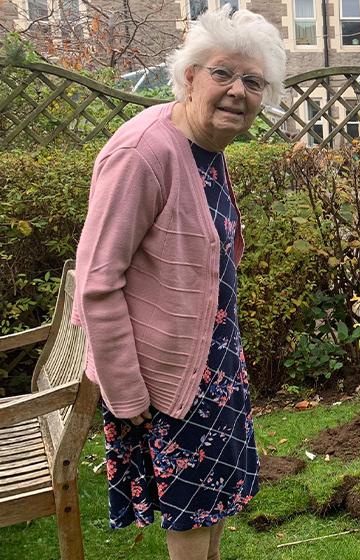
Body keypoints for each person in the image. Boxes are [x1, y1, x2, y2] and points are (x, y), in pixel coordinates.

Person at [72, 7, 285, 559]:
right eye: (223, 73)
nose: (238, 91)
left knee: (213, 505)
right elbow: (97, 280)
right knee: (191, 517)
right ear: (188, 77)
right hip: (164, 379)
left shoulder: (205, 150)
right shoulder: (143, 152)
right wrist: (124, 391)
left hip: (213, 362)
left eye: (253, 81)